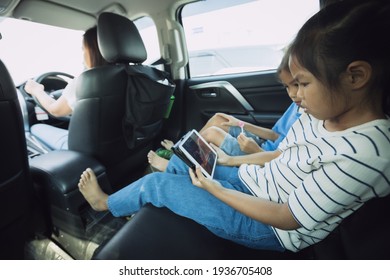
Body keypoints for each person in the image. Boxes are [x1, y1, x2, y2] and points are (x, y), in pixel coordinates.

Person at [78, 0, 390, 253]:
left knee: (156, 185)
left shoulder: (366, 154)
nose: (295, 96)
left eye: (303, 83)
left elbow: (287, 218)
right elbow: (282, 155)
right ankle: (156, 193)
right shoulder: (320, 113)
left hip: (268, 227)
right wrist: (229, 161)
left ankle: (105, 202)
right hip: (255, 181)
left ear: (355, 77)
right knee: (186, 157)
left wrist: (216, 188)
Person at [148, 48, 302, 171]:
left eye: (297, 85)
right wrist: (240, 123)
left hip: (260, 155)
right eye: (287, 87)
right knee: (219, 120)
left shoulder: (308, 121)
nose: (293, 94)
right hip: (264, 144)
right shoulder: (296, 107)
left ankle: (175, 165)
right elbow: (275, 135)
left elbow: (281, 161)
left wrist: (254, 149)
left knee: (212, 133)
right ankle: (182, 153)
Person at [25, 26, 109, 150]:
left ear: (93, 50)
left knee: (34, 128)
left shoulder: (85, 81)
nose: (82, 55)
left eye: (83, 49)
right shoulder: (138, 76)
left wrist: (36, 90)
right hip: (124, 145)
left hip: (88, 150)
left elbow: (55, 110)